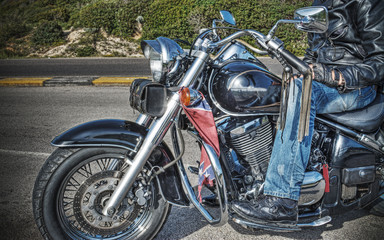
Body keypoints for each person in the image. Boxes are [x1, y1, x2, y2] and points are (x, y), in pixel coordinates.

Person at [232, 0, 384, 224]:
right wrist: (303, 71)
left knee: (301, 93)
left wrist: (337, 76)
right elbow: (312, 56)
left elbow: (380, 60)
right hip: (324, 83)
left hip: (355, 86)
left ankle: (282, 199)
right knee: (270, 89)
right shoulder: (319, 4)